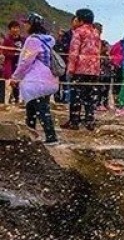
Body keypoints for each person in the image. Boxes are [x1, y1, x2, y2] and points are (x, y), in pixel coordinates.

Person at [10, 13, 60, 145]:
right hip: (49, 79)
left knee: (41, 109)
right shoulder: (48, 40)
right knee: (32, 107)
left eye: (27, 23)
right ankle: (31, 134)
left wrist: (15, 77)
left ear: (32, 25)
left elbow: (25, 61)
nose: (24, 25)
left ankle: (51, 137)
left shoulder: (32, 40)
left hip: (36, 81)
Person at [65, 8, 101, 130]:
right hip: (94, 70)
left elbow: (74, 52)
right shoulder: (96, 32)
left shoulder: (78, 32)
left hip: (80, 69)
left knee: (76, 95)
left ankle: (74, 121)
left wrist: (70, 69)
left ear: (80, 19)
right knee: (90, 96)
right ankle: (89, 120)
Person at [53, 16, 78, 103]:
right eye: (75, 20)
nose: (77, 22)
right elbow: (63, 46)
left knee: (70, 82)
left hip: (75, 62)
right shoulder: (67, 34)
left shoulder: (80, 35)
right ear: (72, 22)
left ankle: (67, 99)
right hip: (63, 61)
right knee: (60, 80)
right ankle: (57, 99)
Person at [2, 20, 26, 105]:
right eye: (13, 27)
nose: (15, 29)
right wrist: (14, 53)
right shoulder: (7, 40)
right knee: (8, 83)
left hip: (20, 65)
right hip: (10, 64)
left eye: (17, 27)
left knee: (20, 83)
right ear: (10, 29)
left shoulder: (23, 39)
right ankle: (6, 102)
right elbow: (4, 52)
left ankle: (19, 101)